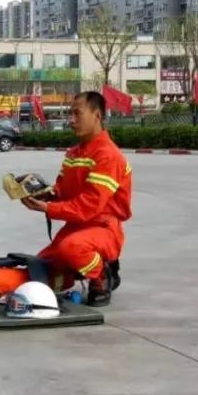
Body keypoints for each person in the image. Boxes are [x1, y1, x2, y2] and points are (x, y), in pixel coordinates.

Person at [22, 91, 131, 307]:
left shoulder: (107, 156)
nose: (71, 120)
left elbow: (91, 205)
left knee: (71, 249)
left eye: (76, 114)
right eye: (70, 114)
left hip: (103, 228)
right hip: (76, 228)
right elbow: (63, 189)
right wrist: (45, 194)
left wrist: (48, 209)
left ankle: (102, 275)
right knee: (37, 270)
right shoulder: (74, 154)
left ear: (97, 115)